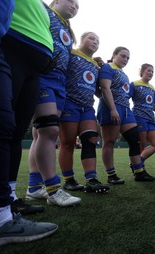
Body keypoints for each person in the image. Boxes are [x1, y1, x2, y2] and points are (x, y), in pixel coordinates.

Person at [0, 0, 57, 247]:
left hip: (36, 63)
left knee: (13, 130)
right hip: (13, 46)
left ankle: (9, 202)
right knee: (2, 126)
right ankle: (1, 215)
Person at [25, 0, 81, 207]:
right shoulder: (43, 11)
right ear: (56, 1)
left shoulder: (67, 28)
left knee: (41, 134)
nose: (75, 6)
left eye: (78, 6)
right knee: (48, 131)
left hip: (60, 82)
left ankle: (33, 188)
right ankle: (53, 189)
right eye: (72, 1)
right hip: (43, 76)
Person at [58, 32, 109, 193]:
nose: (95, 42)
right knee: (68, 142)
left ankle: (91, 179)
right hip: (69, 104)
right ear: (81, 40)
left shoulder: (95, 65)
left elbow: (97, 91)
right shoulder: (70, 52)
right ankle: (68, 179)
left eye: (98, 40)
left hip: (87, 107)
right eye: (92, 38)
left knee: (90, 140)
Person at [97, 47, 155, 183]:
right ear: (114, 55)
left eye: (128, 58)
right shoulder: (107, 68)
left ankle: (139, 172)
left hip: (126, 110)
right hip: (111, 108)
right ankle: (111, 175)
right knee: (109, 141)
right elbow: (104, 88)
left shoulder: (123, 73)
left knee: (135, 139)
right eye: (123, 56)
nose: (125, 60)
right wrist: (112, 109)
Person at [130, 63, 155, 167]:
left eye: (152, 71)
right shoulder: (134, 84)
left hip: (151, 119)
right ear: (142, 71)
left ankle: (137, 163)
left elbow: (151, 104)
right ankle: (139, 168)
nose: (151, 73)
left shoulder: (152, 88)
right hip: (139, 117)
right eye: (149, 70)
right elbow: (126, 98)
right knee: (141, 144)